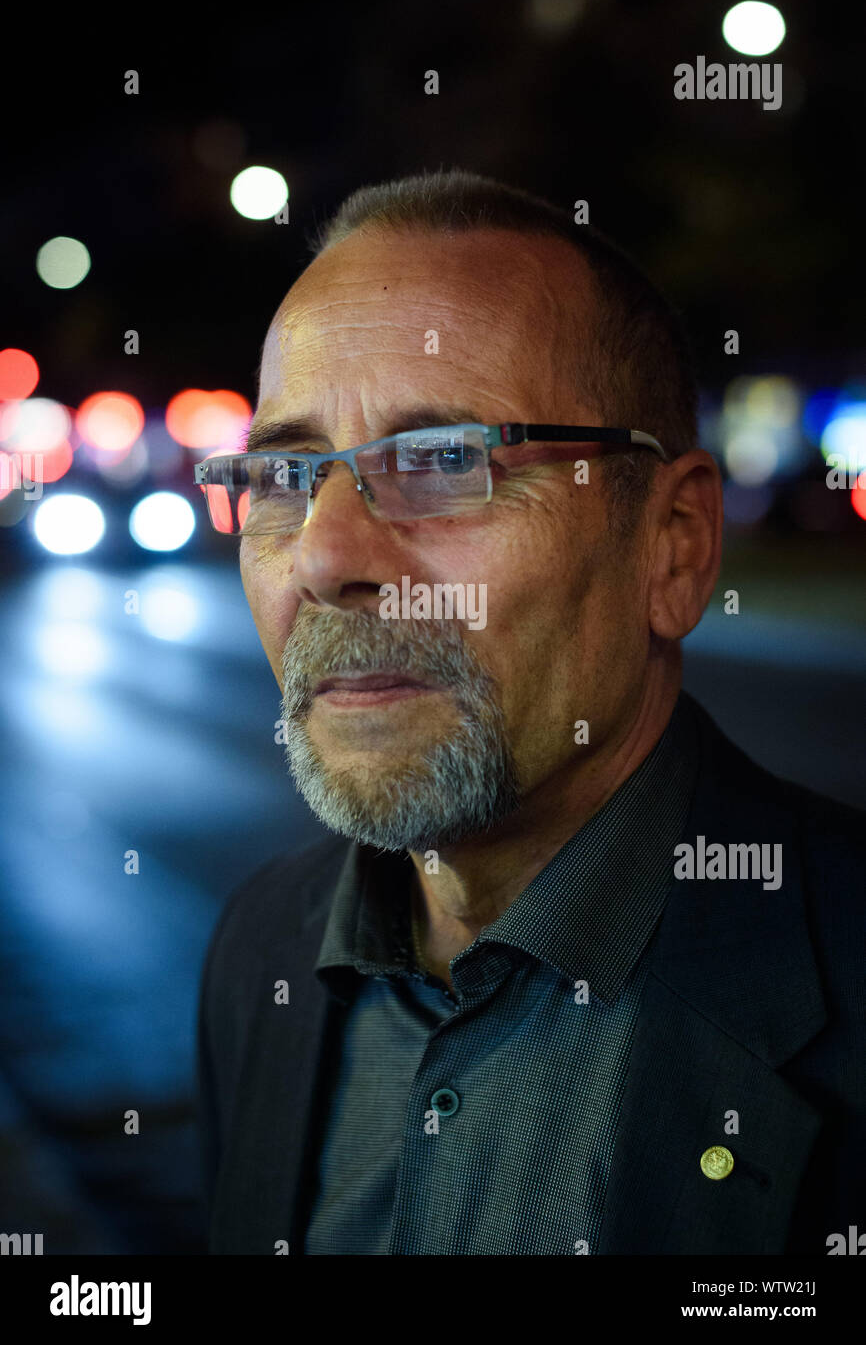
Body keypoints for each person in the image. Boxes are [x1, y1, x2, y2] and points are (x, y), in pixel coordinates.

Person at [194, 168, 865, 1255]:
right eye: (282, 474)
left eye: (441, 461)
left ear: (674, 544)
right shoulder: (259, 952)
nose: (320, 555)